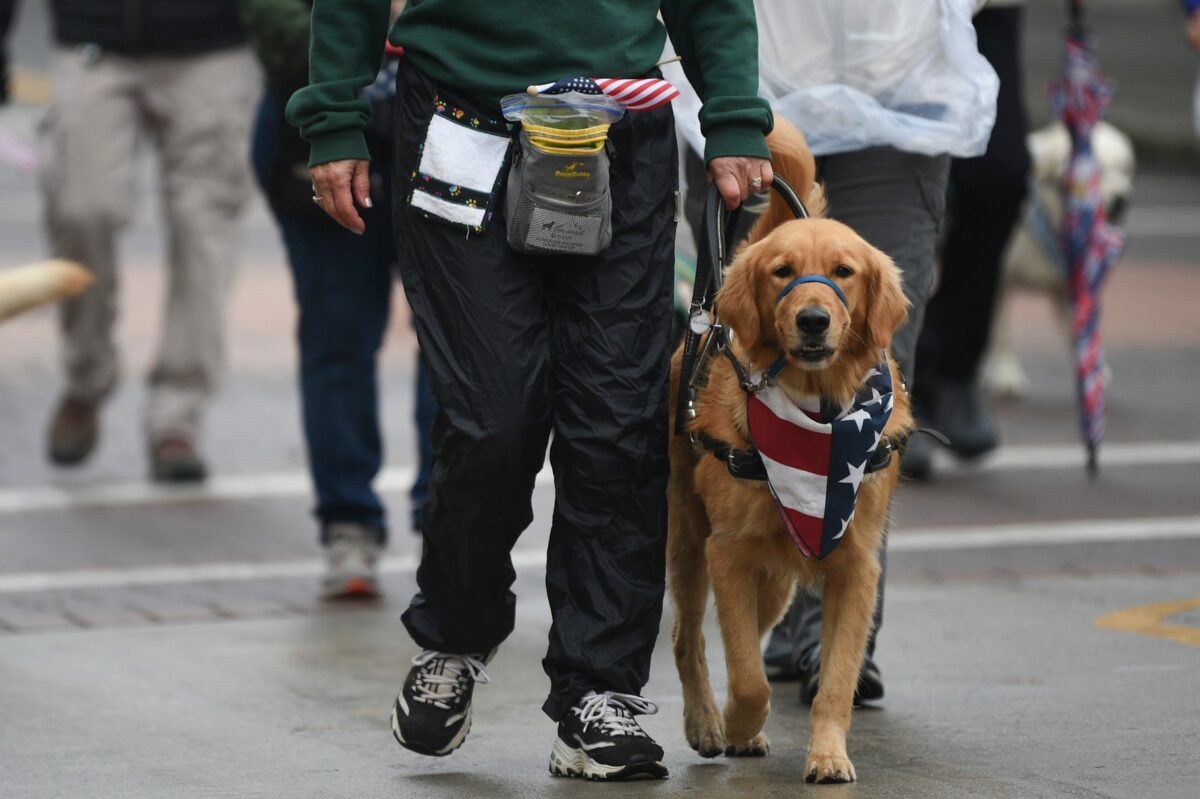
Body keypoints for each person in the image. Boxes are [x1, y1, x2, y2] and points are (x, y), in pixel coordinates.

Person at [288, 0, 772, 780]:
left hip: (619, 121)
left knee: (617, 422)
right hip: (458, 118)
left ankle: (598, 691)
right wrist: (335, 118)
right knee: (492, 419)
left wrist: (736, 117)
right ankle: (454, 631)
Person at [673, 0, 997, 703]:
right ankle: (764, 594)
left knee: (871, 363)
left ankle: (832, 639)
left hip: (904, 102)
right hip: (747, 96)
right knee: (753, 358)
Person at [23, 0, 256, 481]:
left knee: (204, 232)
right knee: (83, 209)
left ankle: (177, 416)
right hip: (93, 38)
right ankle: (87, 374)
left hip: (213, 45)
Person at [243, 0, 416, 598]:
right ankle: (349, 525)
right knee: (337, 335)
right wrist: (376, 16)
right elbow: (276, 28)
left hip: (451, 122)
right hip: (320, 126)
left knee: (465, 338)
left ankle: (451, 524)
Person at [906, 0, 1032, 480]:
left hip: (985, 10)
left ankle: (947, 366)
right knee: (887, 163)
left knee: (1003, 175)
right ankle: (887, 390)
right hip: (879, 19)